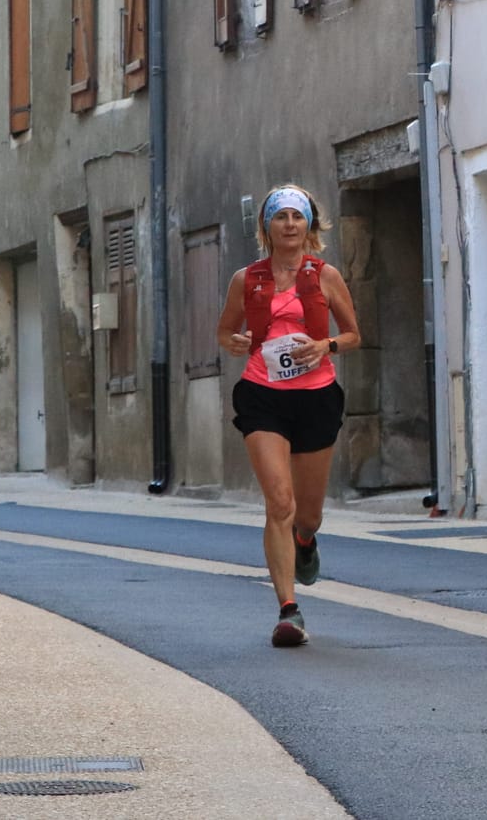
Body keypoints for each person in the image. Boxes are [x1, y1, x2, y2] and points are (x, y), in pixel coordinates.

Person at [215, 185, 358, 648]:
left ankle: (305, 542)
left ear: (309, 226)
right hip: (262, 395)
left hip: (316, 398)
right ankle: (288, 611)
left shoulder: (325, 276)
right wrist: (235, 342)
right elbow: (225, 331)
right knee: (279, 503)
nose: (290, 225)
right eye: (281, 217)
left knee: (307, 515)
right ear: (268, 227)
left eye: (298, 217)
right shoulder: (246, 279)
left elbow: (353, 334)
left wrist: (325, 346)